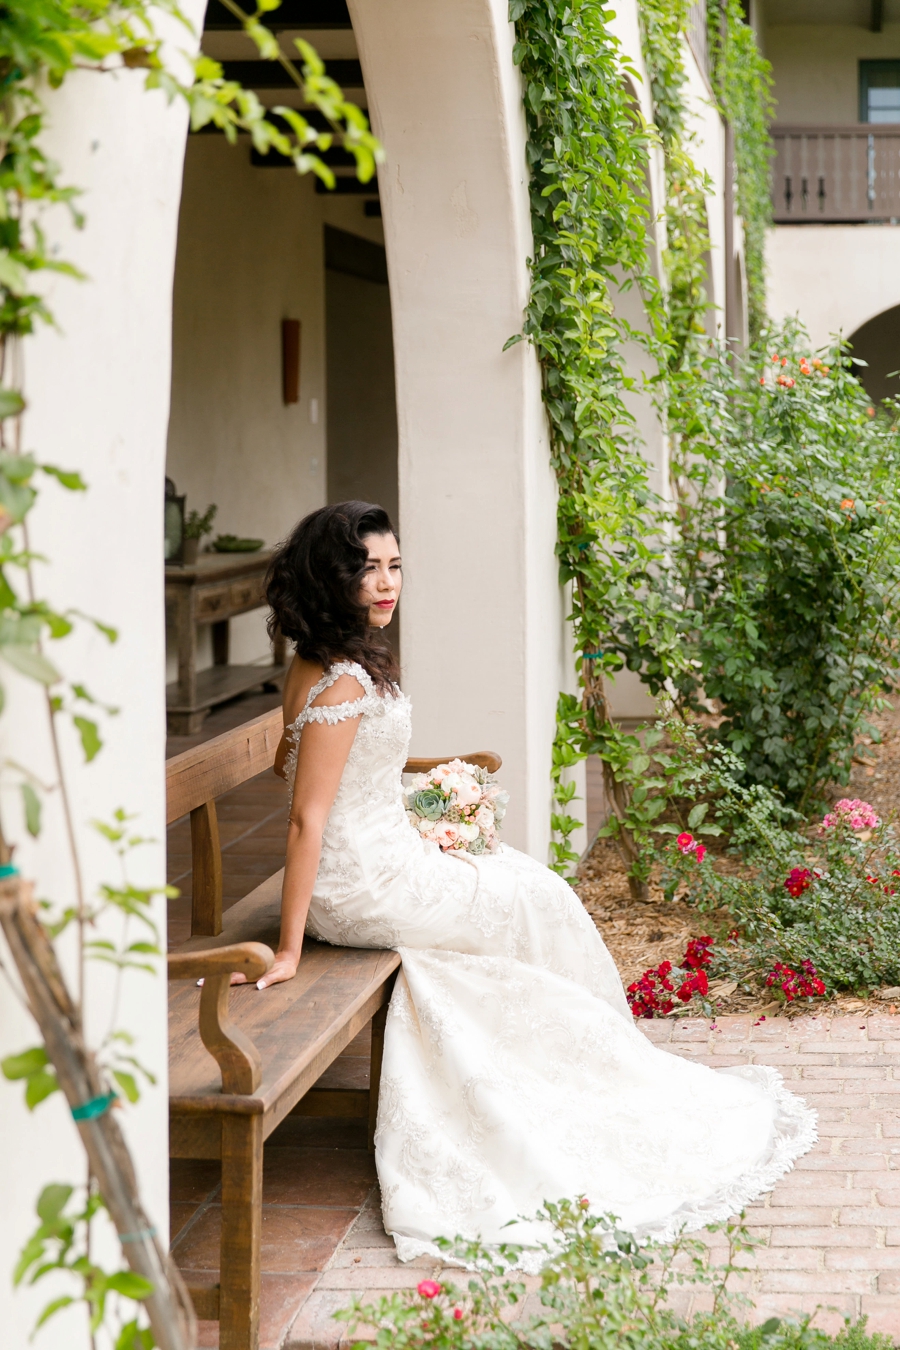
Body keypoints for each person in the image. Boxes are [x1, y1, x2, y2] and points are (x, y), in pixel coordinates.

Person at [245, 500, 816, 1265]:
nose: (386, 584)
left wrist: (420, 814)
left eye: (394, 564)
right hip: (358, 885)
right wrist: (289, 948)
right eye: (366, 568)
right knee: (528, 897)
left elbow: (310, 770)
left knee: (524, 884)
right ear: (331, 577)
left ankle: (574, 1077)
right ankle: (570, 1090)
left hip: (380, 855)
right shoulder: (342, 681)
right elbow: (305, 818)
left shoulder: (323, 660)